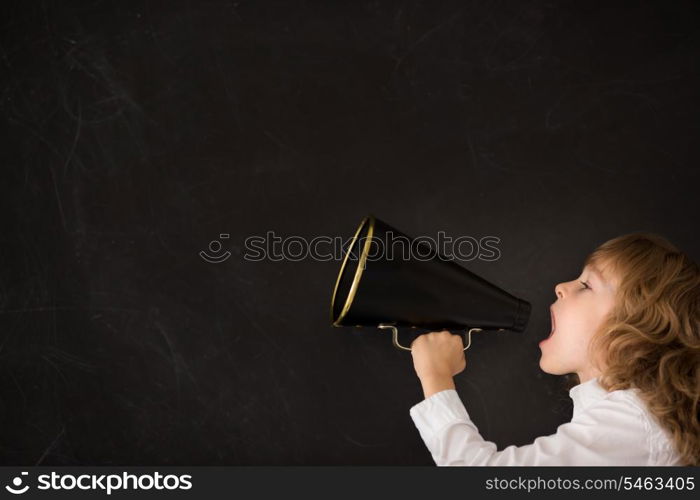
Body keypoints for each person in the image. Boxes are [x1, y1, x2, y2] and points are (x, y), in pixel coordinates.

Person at [409, 233, 699, 465]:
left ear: (636, 324)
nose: (561, 286)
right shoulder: (622, 423)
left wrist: (436, 377)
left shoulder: (632, 422)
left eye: (586, 284)